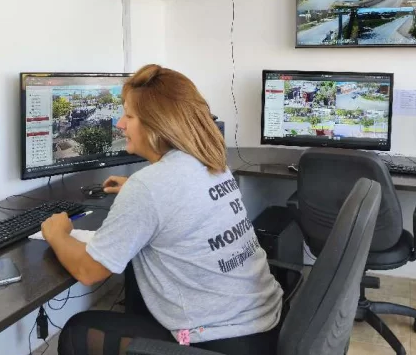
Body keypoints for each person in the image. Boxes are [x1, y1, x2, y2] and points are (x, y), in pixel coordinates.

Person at [41, 64, 283, 355]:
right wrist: (138, 191)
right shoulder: (210, 161)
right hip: (262, 322)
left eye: (129, 116)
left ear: (157, 125)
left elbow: (89, 271)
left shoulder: (150, 187)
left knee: (77, 331)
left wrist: (57, 233)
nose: (120, 124)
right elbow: (182, 199)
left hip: (216, 341)